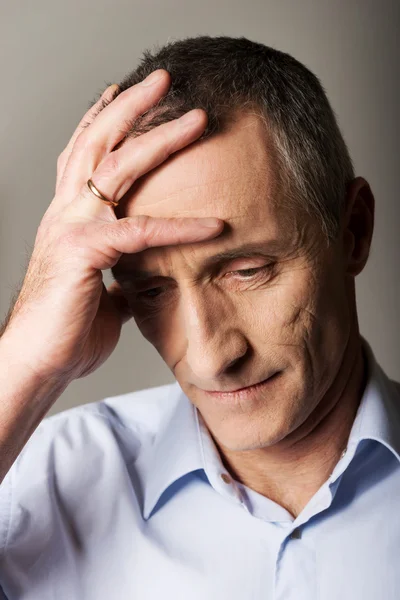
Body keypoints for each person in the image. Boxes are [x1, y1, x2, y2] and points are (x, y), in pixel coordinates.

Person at [0, 35, 398, 599]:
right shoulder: (33, 484)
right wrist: (24, 363)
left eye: (247, 270)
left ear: (352, 231)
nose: (211, 357)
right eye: (153, 291)